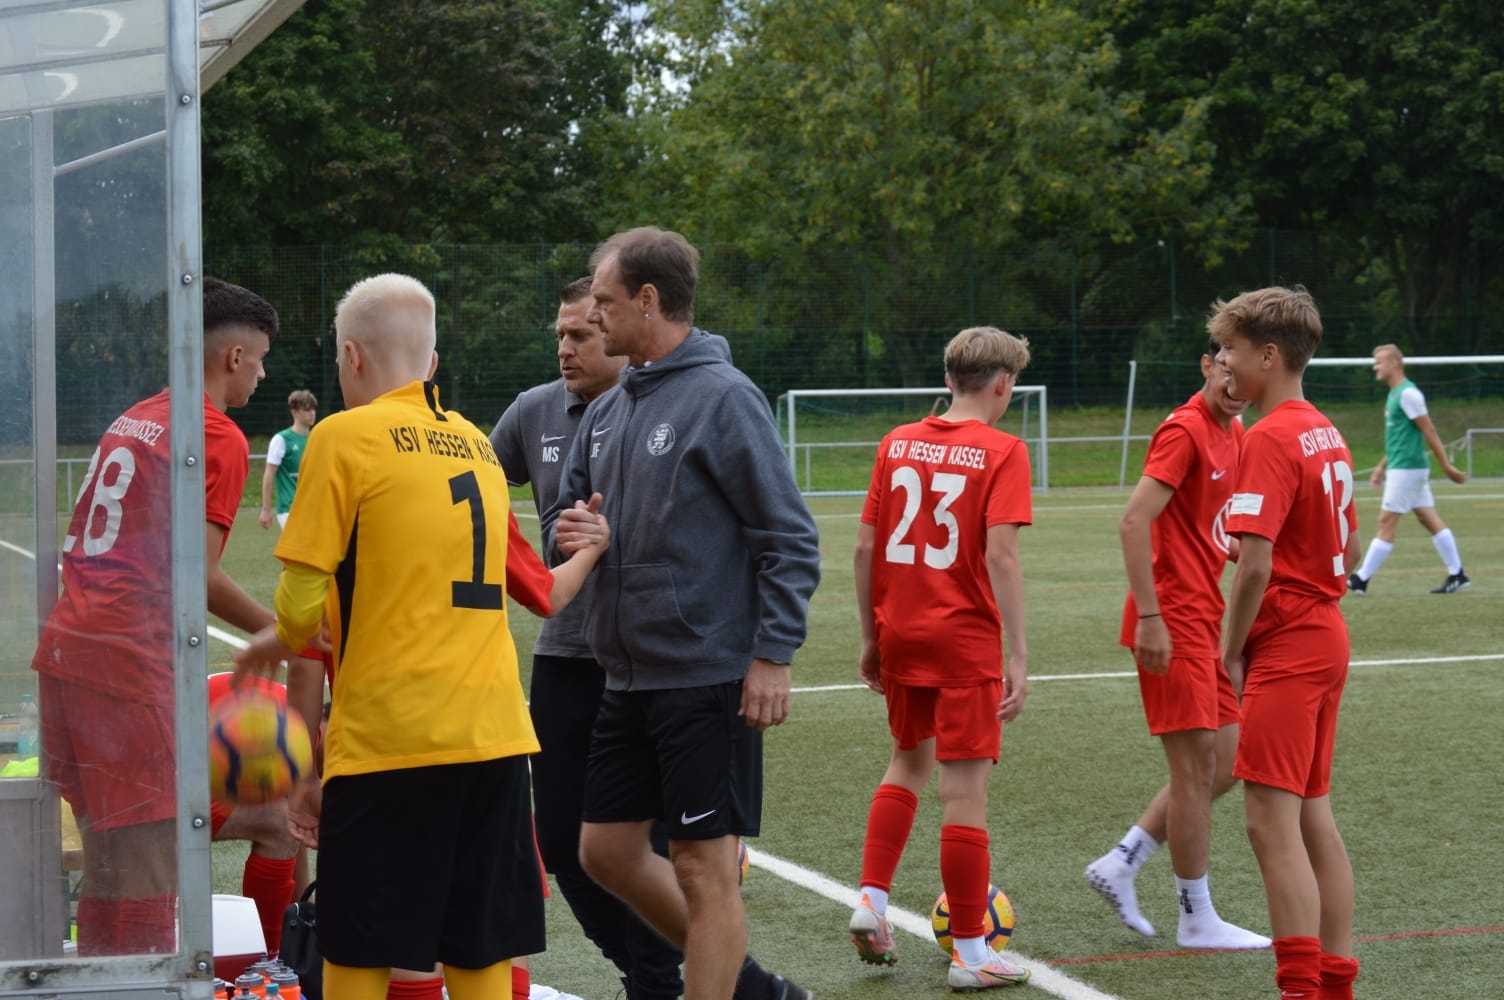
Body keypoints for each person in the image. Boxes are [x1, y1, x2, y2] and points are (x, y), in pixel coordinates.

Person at [232, 272, 611, 1000]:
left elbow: (302, 609)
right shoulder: (477, 448)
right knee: (478, 947)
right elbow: (547, 594)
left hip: (389, 742)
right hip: (495, 741)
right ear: (431, 364)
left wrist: (275, 641)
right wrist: (592, 546)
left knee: (359, 946)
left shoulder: (340, 437)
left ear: (351, 356)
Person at [548, 227, 821, 1000]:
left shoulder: (724, 398)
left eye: (604, 301)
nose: (593, 316)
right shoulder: (607, 410)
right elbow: (562, 519)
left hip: (705, 676)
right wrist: (574, 531)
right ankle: (754, 990)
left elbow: (788, 538)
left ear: (647, 300)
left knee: (704, 870)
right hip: (626, 676)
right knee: (604, 852)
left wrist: (772, 655)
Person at [30, 277, 281, 956]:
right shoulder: (216, 435)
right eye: (260, 361)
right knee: (153, 865)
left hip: (66, 652)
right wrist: (275, 628)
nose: (261, 376)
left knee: (110, 864)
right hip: (124, 666)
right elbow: (195, 575)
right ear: (234, 357)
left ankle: (104, 986)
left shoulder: (136, 415)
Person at [490, 276, 683, 1000]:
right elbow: (469, 483)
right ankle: (646, 974)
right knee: (562, 844)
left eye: (580, 335)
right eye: (560, 336)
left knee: (646, 841)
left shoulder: (670, 407)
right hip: (565, 654)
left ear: (619, 331)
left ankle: (656, 984)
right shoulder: (533, 411)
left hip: (647, 659)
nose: (565, 349)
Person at [843, 326, 1032, 991]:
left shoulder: (896, 442)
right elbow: (1001, 555)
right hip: (963, 640)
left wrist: (871, 636)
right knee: (963, 791)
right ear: (1003, 384)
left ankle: (871, 900)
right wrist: (1017, 652)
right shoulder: (1004, 450)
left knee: (908, 760)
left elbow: (864, 549)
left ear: (949, 379)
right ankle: (972, 954)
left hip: (900, 630)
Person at [1082, 342, 1270, 950]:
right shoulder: (1184, 430)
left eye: (1244, 382)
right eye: (1226, 373)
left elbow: (1209, 524)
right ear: (1208, 365)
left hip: (1202, 619)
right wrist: (1151, 618)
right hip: (1171, 619)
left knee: (1228, 762)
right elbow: (1133, 521)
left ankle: (1122, 860)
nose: (1235, 391)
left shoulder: (1234, 431)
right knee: (1193, 772)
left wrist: (1241, 550)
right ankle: (1196, 918)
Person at [1214, 286, 1361, 1000]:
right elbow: (1350, 547)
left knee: (1270, 825)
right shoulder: (1325, 429)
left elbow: (1254, 565)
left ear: (1269, 355)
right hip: (1327, 631)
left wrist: (1230, 649)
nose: (1223, 362)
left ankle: (1301, 989)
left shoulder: (1267, 436)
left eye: (1231, 350)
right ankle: (1334, 986)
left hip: (1290, 641)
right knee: (1311, 816)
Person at [1346, 344, 1469, 595]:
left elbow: (1429, 430)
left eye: (1379, 362)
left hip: (1407, 469)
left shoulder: (1408, 394)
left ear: (1394, 363)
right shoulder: (1395, 394)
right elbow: (1400, 439)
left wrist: (1446, 466)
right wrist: (1381, 467)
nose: (1375, 367)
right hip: (1402, 467)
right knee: (1428, 518)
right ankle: (1458, 573)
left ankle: (1360, 579)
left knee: (1386, 521)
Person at [260, 389, 318, 530]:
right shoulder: (281, 439)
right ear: (294, 412)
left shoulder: (315, 438)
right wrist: (266, 509)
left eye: (313, 409)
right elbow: (269, 474)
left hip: (312, 507)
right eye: (307, 409)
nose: (312, 413)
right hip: (289, 509)